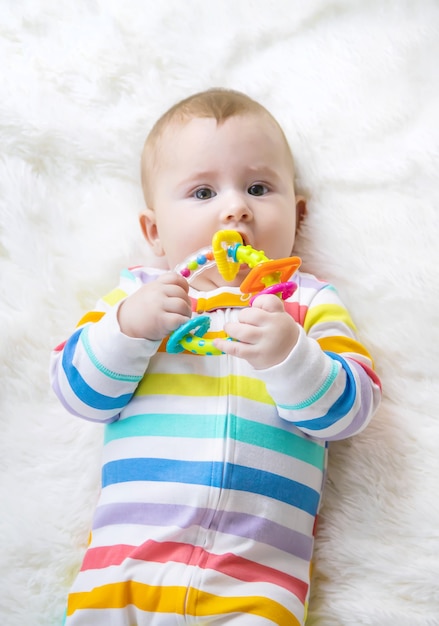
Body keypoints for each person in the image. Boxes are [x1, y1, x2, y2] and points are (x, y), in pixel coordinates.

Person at [50, 88, 382, 626]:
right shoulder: (135, 297)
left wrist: (290, 357)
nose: (235, 207)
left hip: (256, 580)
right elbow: (77, 393)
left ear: (297, 215)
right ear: (155, 232)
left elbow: (351, 411)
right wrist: (128, 329)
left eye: (258, 187)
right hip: (122, 571)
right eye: (203, 192)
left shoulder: (307, 302)